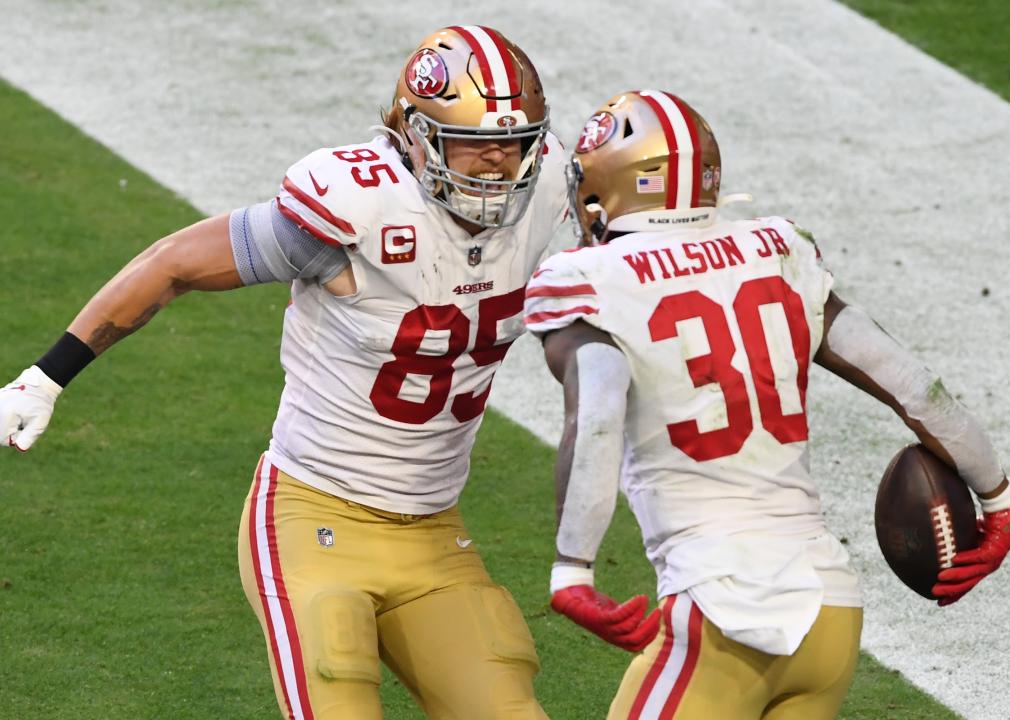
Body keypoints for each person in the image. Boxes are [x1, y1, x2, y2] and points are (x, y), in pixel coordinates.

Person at [0, 26, 567, 720]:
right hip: (314, 519)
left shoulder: (547, 198)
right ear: (415, 134)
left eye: (514, 142)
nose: (496, 164)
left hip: (433, 532)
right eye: (471, 143)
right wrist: (46, 376)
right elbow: (174, 262)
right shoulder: (359, 207)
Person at [523, 89, 1010, 719]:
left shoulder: (590, 278)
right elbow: (913, 385)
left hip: (725, 611)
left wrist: (572, 570)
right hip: (830, 613)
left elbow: (595, 415)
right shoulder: (778, 249)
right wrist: (998, 500)